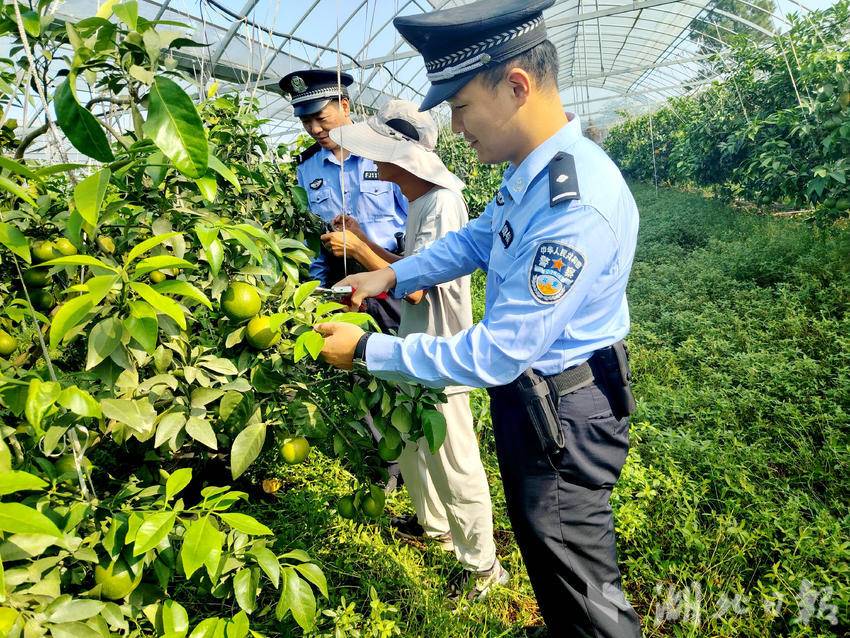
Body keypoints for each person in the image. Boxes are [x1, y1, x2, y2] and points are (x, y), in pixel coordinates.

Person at [314, 0, 644, 636]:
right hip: (538, 400)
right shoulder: (533, 172)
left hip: (564, 411)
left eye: (461, 107)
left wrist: (366, 351)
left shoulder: (573, 204)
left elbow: (497, 352)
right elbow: (480, 238)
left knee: (582, 578)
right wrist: (391, 273)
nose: (457, 127)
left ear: (515, 86)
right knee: (548, 547)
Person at [319, 99, 505, 600]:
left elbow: (419, 285)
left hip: (441, 354)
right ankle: (437, 531)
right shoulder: (422, 202)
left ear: (403, 158)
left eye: (381, 150)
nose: (373, 160)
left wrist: (359, 251)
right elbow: (410, 263)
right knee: (414, 445)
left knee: (453, 457)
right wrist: (363, 241)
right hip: (413, 347)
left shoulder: (443, 203)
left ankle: (483, 567)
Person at [279, 69, 408, 334]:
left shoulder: (384, 153)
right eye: (305, 121)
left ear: (345, 106)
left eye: (320, 117)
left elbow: (414, 216)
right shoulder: (307, 168)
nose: (314, 129)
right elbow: (311, 239)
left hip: (391, 277)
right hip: (341, 286)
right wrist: (318, 292)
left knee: (401, 354)